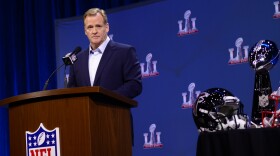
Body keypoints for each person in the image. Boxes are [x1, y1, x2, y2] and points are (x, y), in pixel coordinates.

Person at [67, 8, 142, 99]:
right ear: (85, 31)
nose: (94, 31)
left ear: (106, 27)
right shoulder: (77, 60)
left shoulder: (125, 52)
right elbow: (72, 91)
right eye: (90, 27)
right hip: (86, 112)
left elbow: (134, 85)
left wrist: (107, 99)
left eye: (98, 26)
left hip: (115, 111)